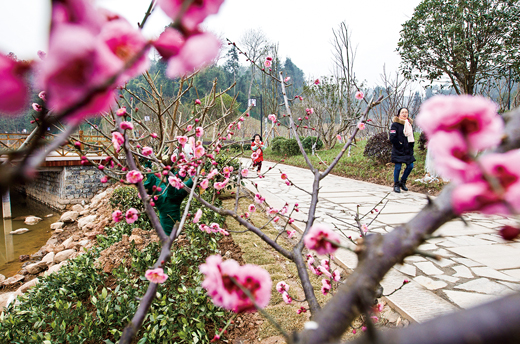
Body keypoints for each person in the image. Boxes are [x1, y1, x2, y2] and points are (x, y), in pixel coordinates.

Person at [143, 154, 193, 236]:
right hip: (170, 232)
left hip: (168, 232)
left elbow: (151, 174)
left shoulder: (157, 187)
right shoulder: (158, 192)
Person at [389, 107, 415, 193]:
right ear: (399, 114)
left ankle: (402, 182)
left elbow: (411, 137)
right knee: (398, 167)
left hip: (407, 150)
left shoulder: (409, 124)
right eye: (402, 112)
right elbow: (392, 137)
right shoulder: (395, 125)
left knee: (410, 166)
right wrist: (399, 145)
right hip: (398, 149)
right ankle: (396, 184)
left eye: (406, 112)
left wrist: (411, 148)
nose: (404, 114)